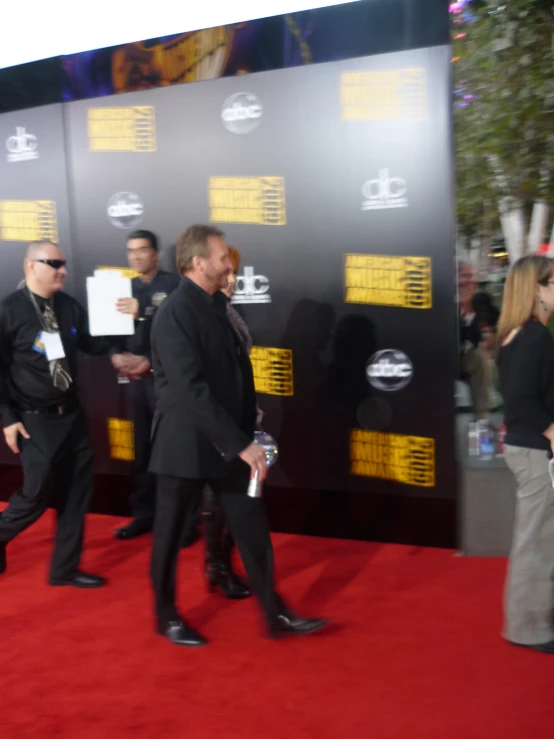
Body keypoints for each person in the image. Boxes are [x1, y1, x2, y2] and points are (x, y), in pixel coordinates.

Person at [149, 224, 328, 646]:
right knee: (170, 534)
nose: (230, 265)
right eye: (222, 257)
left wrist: (248, 437)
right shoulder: (175, 314)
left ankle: (275, 613)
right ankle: (165, 615)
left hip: (230, 443)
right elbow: (192, 391)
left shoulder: (216, 306)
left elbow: (235, 379)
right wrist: (242, 444)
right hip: (185, 446)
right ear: (199, 263)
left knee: (250, 525)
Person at [0, 241, 110, 586]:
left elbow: (94, 344)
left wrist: (126, 319)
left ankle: (65, 568)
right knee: (35, 494)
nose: (63, 270)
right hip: (33, 418)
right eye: (54, 263)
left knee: (77, 493)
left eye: (63, 264)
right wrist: (8, 419)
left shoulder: (67, 306)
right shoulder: (9, 311)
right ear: (30, 265)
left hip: (72, 415)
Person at [496, 254, 554, 653]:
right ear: (538, 288)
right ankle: (528, 628)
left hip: (528, 447)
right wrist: (553, 432)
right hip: (535, 449)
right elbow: (520, 398)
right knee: (536, 540)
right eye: (553, 282)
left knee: (538, 537)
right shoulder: (533, 336)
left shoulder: (517, 334)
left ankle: (534, 620)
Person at [110, 230, 180, 541]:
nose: (136, 256)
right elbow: (107, 334)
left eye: (142, 250)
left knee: (174, 454)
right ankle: (143, 515)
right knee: (142, 452)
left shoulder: (175, 286)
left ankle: (183, 523)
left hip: (167, 385)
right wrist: (114, 355)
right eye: (130, 251)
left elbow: (177, 335)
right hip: (136, 385)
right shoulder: (122, 289)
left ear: (157, 254)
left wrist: (149, 360)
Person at [201, 246, 256, 600]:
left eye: (236, 272)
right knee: (217, 500)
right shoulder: (200, 316)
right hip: (213, 423)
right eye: (227, 270)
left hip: (238, 420)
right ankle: (216, 566)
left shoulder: (229, 313)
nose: (233, 280)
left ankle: (221, 563)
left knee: (237, 497)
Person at [458, 262, 498, 419]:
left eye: (473, 277)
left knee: (479, 357)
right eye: (466, 276)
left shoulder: (477, 303)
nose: (471, 281)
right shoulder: (444, 299)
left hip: (462, 358)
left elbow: (477, 340)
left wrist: (468, 309)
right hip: (440, 356)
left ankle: (483, 417)